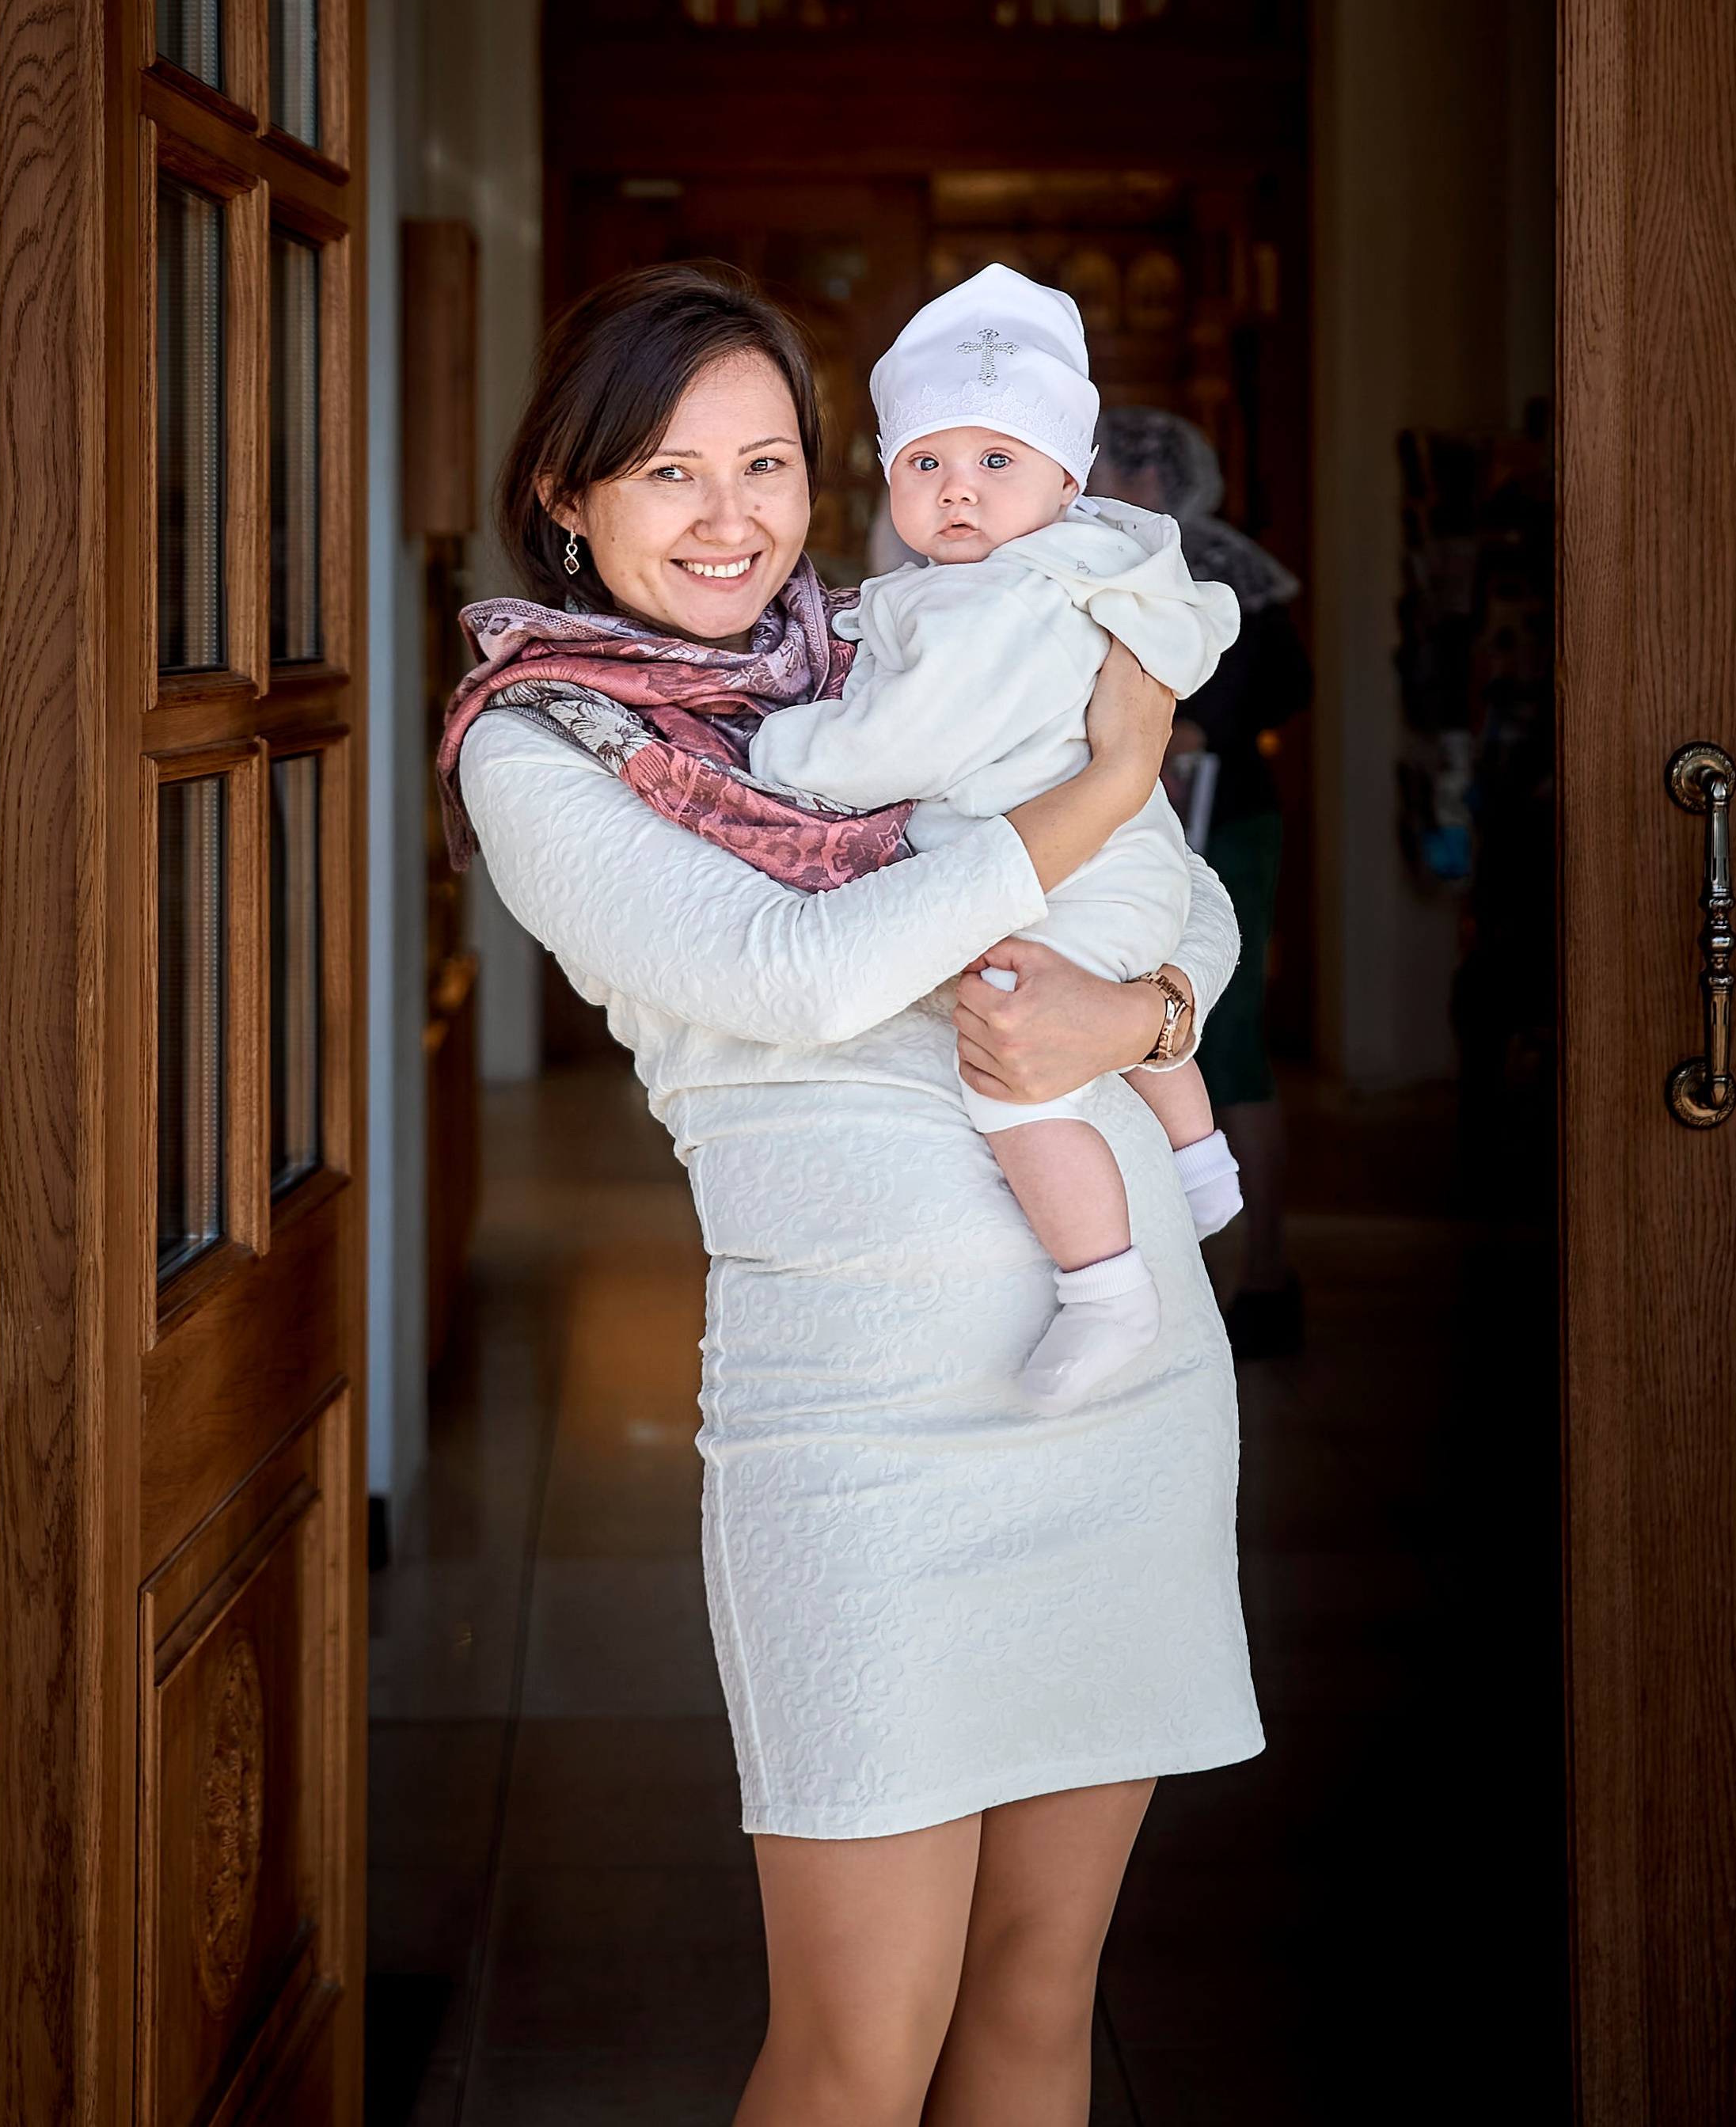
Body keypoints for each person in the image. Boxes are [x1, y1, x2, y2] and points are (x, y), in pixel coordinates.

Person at [439, 265, 1262, 2126]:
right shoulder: (543, 744)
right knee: (850, 2049)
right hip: (863, 1429)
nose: (730, 520)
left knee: (1039, 2006)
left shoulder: (905, 633)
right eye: (665, 472)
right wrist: (1107, 774)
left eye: (767, 463)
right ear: (565, 495)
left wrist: (1127, 1009)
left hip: (1120, 1380)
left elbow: (1188, 906)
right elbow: (801, 976)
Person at [750, 264, 1247, 1411]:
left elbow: (897, 743)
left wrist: (777, 752)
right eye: (927, 462)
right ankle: (1201, 1159)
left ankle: (1105, 1286)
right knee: (1120, 994)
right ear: (888, 478)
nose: (957, 491)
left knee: (1013, 1070)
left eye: (994, 462)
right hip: (1130, 867)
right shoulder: (1060, 571)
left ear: (1066, 479)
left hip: (1063, 875)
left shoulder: (992, 603)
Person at [1092, 406, 1315, 1360]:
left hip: (1225, 823)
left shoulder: (1227, 570)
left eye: (1143, 473)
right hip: (1131, 823)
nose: (1127, 488)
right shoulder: (1090, 556)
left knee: (1224, 1035)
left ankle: (1262, 1264)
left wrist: (1197, 732)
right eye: (1115, 468)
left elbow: (1280, 685)